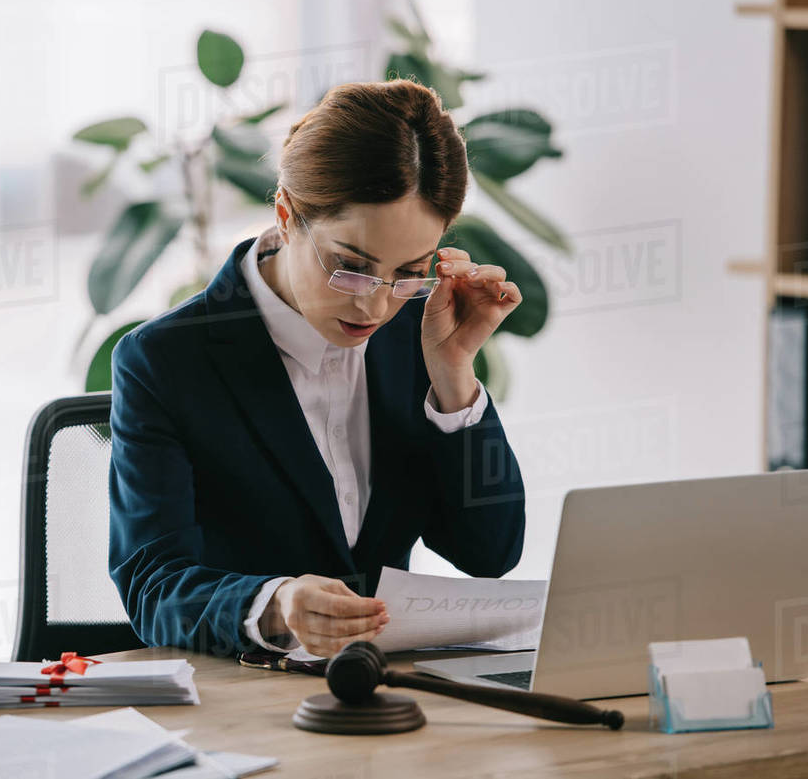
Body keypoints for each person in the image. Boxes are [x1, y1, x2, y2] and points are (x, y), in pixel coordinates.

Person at [108, 78, 526, 659]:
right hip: (243, 706)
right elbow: (154, 587)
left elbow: (491, 554)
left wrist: (454, 374)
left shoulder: (418, 331)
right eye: (350, 266)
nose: (374, 305)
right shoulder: (165, 361)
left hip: (387, 692)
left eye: (407, 271)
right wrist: (275, 603)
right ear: (286, 214)